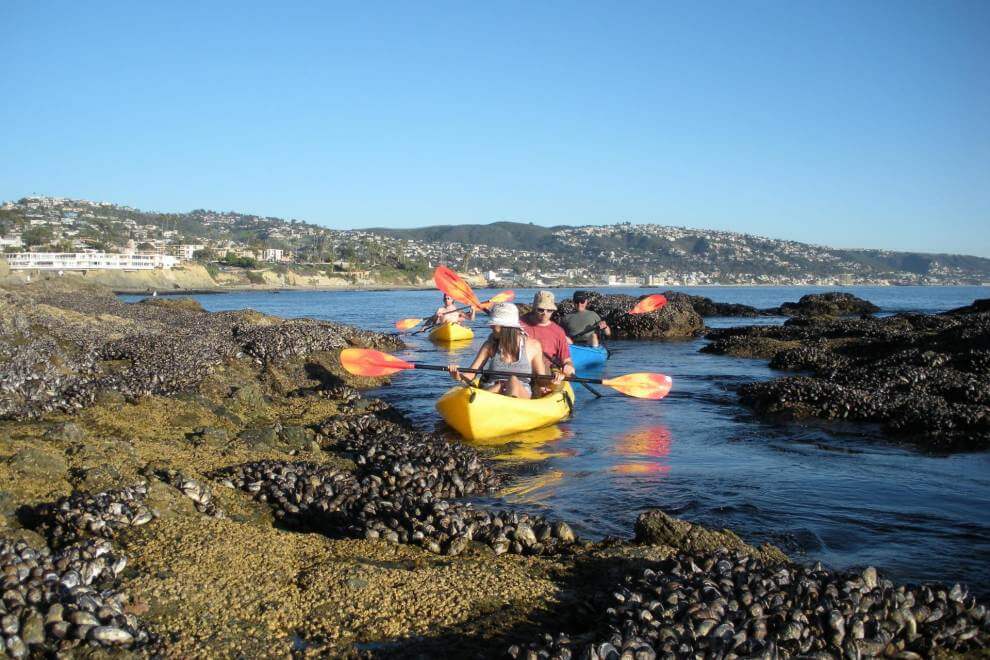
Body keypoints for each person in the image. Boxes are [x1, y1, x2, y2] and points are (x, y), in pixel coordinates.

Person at [447, 302, 546, 399]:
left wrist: (554, 381)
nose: (491, 327)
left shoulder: (533, 346)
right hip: (493, 390)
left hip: (519, 392)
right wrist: (458, 376)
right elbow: (471, 373)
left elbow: (542, 380)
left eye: (494, 324)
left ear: (506, 327)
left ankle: (508, 402)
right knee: (500, 385)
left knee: (513, 380)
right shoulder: (490, 345)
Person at [521, 291, 575, 378]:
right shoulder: (518, 324)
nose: (545, 313)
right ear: (534, 308)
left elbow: (566, 360)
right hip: (521, 371)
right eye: (541, 309)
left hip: (545, 375)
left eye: (549, 310)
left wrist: (569, 366)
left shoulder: (558, 331)